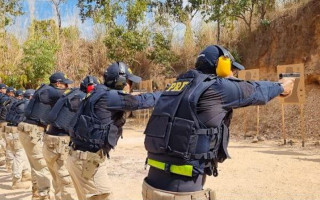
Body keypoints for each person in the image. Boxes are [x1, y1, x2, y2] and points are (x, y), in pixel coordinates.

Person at [142, 45, 295, 200]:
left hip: (150, 186)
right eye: (232, 69)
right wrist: (281, 86)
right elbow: (255, 90)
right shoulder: (216, 87)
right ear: (222, 65)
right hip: (181, 192)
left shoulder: (177, 86)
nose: (233, 74)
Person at [66, 62, 161, 200]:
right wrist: (168, 93)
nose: (131, 86)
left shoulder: (98, 92)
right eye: (129, 82)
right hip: (87, 162)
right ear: (120, 81)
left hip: (79, 158)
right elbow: (140, 102)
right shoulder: (109, 97)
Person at [18, 72, 73, 200]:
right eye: (65, 84)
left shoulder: (45, 89)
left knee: (36, 164)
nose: (66, 86)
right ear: (58, 83)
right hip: (32, 130)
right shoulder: (51, 91)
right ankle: (42, 196)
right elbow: (68, 97)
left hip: (28, 130)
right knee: (41, 166)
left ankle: (37, 193)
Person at [43, 76, 92, 200]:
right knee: (66, 180)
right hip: (60, 141)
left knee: (57, 177)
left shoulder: (70, 94)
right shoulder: (81, 99)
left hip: (49, 138)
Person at [5, 89, 34, 189]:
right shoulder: (27, 105)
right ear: (30, 97)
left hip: (9, 131)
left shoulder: (15, 102)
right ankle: (16, 181)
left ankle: (25, 174)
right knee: (19, 155)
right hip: (16, 133)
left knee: (19, 153)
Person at [3, 87, 16, 172]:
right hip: (9, 124)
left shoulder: (5, 102)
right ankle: (10, 165)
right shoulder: (15, 102)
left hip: (6, 123)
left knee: (8, 145)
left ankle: (9, 165)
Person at [0, 83, 8, 166]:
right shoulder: (5, 98)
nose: (5, 90)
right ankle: (3, 157)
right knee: (5, 140)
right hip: (4, 121)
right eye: (4, 88)